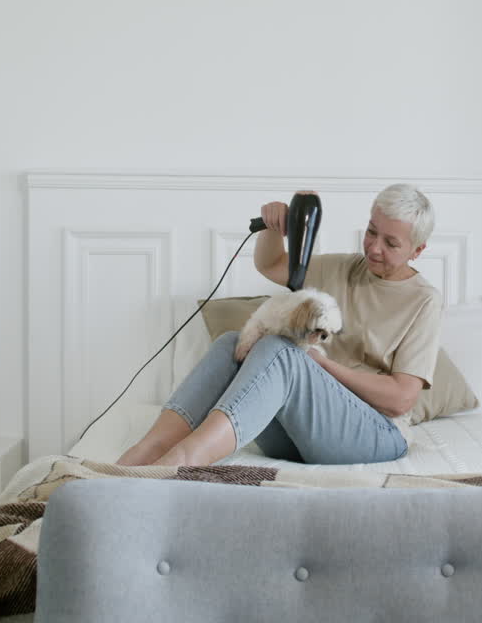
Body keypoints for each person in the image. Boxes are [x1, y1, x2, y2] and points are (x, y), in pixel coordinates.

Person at [116, 183, 441, 467]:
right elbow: (272, 264)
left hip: (375, 434)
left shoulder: (423, 300)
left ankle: (184, 460)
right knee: (234, 344)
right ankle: (147, 451)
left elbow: (401, 399)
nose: (374, 247)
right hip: (302, 433)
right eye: (371, 231)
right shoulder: (345, 267)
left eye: (391, 243)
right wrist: (274, 226)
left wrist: (321, 365)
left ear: (418, 250)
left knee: (280, 351)